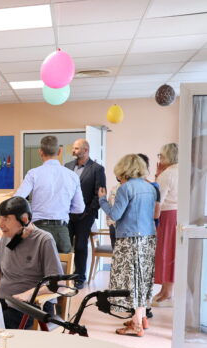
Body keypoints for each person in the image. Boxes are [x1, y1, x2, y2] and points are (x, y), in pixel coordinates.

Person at [0, 197, 63, 329]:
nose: (1, 225)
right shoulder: (6, 237)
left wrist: (28, 295)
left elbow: (57, 284)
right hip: (6, 302)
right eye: (0, 219)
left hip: (33, 307)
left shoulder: (44, 240)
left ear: (24, 219)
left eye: (6, 219)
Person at [99, 154, 157, 337]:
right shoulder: (150, 188)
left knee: (130, 282)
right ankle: (139, 320)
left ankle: (137, 325)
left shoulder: (125, 188)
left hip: (129, 239)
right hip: (147, 238)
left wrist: (102, 201)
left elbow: (115, 215)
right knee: (141, 279)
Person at [15, 135, 84, 253]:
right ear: (60, 151)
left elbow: (17, 200)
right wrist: (63, 208)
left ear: (40, 152)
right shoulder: (72, 176)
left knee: (36, 269)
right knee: (62, 269)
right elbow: (79, 208)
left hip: (38, 229)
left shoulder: (33, 174)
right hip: (61, 231)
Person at [65, 139, 106, 288]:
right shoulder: (67, 167)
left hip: (85, 215)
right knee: (65, 245)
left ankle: (80, 277)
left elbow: (100, 194)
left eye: (76, 149)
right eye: (73, 148)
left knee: (81, 246)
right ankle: (65, 274)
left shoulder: (97, 169)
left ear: (86, 150)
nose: (73, 151)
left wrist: (87, 212)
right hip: (67, 214)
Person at [153, 143, 179, 306]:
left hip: (166, 215)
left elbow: (158, 201)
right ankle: (165, 289)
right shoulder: (182, 171)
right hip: (178, 214)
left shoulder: (167, 175)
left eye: (161, 156)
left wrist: (153, 221)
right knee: (171, 252)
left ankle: (167, 292)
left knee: (165, 252)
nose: (160, 159)